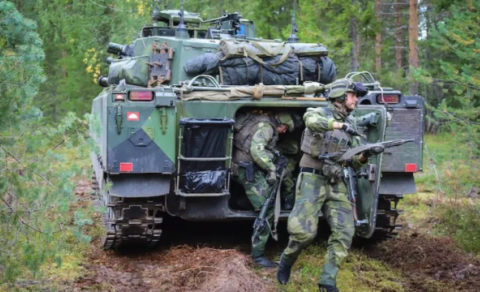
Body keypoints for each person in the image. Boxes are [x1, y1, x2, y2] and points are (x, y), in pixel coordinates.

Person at [276, 79, 383, 292]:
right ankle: (286, 260)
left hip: (336, 182)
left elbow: (352, 161)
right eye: (353, 95)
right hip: (312, 179)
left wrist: (365, 155)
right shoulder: (318, 112)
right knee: (303, 233)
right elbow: (312, 123)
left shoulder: (351, 125)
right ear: (341, 97)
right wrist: (338, 125)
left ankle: (328, 280)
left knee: (345, 231)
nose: (356, 99)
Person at [232, 110, 296, 268]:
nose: (284, 132)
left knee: (267, 195)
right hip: (246, 170)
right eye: (285, 128)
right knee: (267, 209)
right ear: (280, 123)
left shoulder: (261, 121)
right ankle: (258, 256)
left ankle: (242, 201)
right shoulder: (267, 128)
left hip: (244, 166)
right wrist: (271, 168)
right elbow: (256, 151)